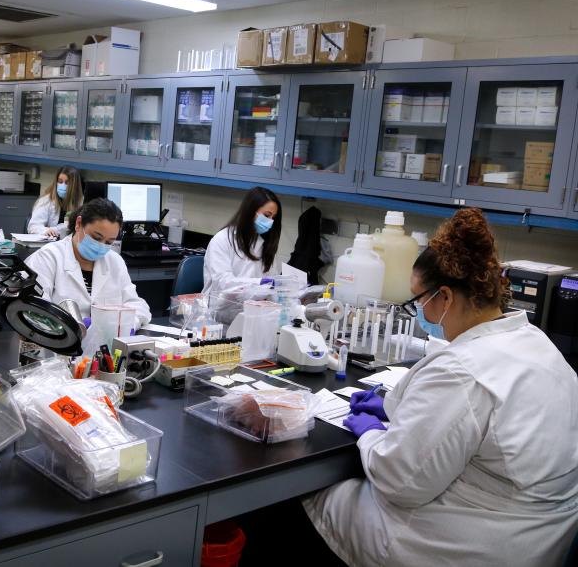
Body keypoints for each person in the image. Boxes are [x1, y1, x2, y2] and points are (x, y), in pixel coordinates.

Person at [303, 208, 578, 567]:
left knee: (313, 495)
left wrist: (371, 434)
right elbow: (480, 427)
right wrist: (394, 409)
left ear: (445, 297)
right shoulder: (537, 345)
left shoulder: (462, 371)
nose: (418, 311)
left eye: (419, 300)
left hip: (464, 546)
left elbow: (399, 482)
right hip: (540, 537)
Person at [25, 198, 151, 328]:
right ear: (79, 224)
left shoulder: (115, 262)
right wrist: (70, 327)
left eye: (109, 242)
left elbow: (138, 305)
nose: (101, 246)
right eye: (96, 238)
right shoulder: (47, 258)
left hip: (105, 344)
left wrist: (127, 325)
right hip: (58, 344)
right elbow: (34, 309)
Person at [202, 186, 282, 296]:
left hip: (254, 308)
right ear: (250, 210)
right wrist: (259, 283)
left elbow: (272, 282)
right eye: (267, 215)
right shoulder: (222, 240)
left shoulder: (266, 244)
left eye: (273, 218)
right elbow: (223, 283)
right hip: (220, 308)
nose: (270, 221)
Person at [27, 166, 83, 237]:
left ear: (74, 186)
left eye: (67, 183)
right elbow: (33, 227)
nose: (62, 185)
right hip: (48, 242)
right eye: (60, 181)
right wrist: (45, 230)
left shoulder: (80, 201)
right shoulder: (46, 201)